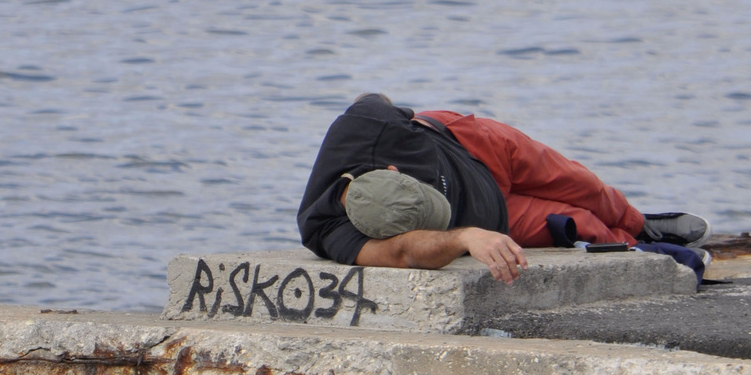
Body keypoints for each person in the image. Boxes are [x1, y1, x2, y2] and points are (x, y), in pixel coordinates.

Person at [296, 94, 706, 283]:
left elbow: (375, 98)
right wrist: (466, 235)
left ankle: (642, 222)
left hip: (476, 145)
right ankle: (645, 252)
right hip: (491, 217)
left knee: (585, 187)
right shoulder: (326, 230)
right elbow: (402, 254)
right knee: (581, 225)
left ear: (390, 170)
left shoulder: (363, 125)